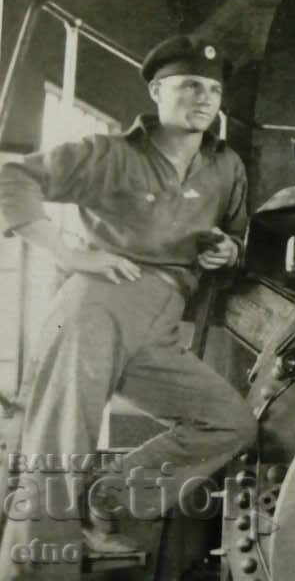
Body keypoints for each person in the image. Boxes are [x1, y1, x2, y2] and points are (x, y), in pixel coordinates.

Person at [0, 35, 257, 578]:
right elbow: (12, 176)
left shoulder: (226, 166)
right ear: (159, 91)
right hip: (96, 306)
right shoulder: (110, 154)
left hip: (162, 320)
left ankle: (106, 500)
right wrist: (69, 251)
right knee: (58, 446)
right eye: (190, 85)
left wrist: (229, 252)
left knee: (228, 423)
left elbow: (237, 238)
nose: (205, 98)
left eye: (213, 89)